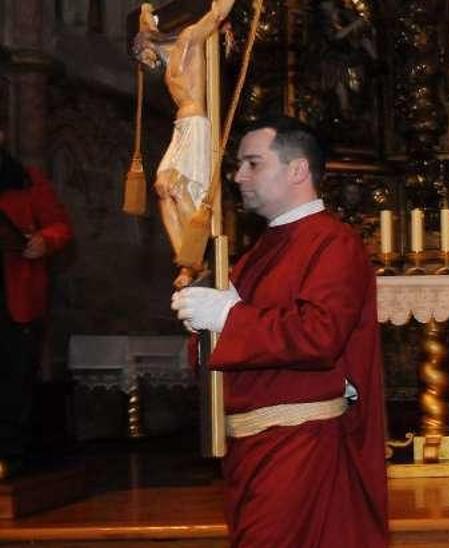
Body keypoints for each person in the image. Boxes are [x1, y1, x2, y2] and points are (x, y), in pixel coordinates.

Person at [170, 117, 388, 546]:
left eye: (253, 163)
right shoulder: (260, 250)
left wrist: (229, 317)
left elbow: (319, 335)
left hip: (299, 445)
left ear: (297, 170)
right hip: (253, 447)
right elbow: (232, 335)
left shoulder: (333, 242)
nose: (238, 176)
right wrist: (202, 322)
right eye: (238, 165)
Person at [133, 0, 234, 289]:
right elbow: (146, 27)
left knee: (177, 187)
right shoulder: (167, 60)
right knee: (163, 188)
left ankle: (195, 258)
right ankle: (188, 261)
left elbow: (216, 14)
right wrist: (145, 21)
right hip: (181, 127)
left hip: (195, 126)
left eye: (143, 51)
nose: (144, 58)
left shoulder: (189, 40)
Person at [0, 136, 73, 479]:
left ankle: (9, 456)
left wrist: (44, 241)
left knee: (14, 379)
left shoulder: (26, 178)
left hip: (16, 297)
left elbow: (60, 225)